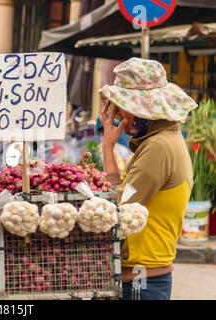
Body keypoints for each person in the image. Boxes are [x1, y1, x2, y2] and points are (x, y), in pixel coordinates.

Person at [99, 57, 197, 300]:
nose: (118, 114)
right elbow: (122, 195)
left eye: (122, 106)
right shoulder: (162, 140)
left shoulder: (159, 147)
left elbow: (119, 207)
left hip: (143, 281)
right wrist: (108, 147)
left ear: (143, 109)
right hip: (143, 277)